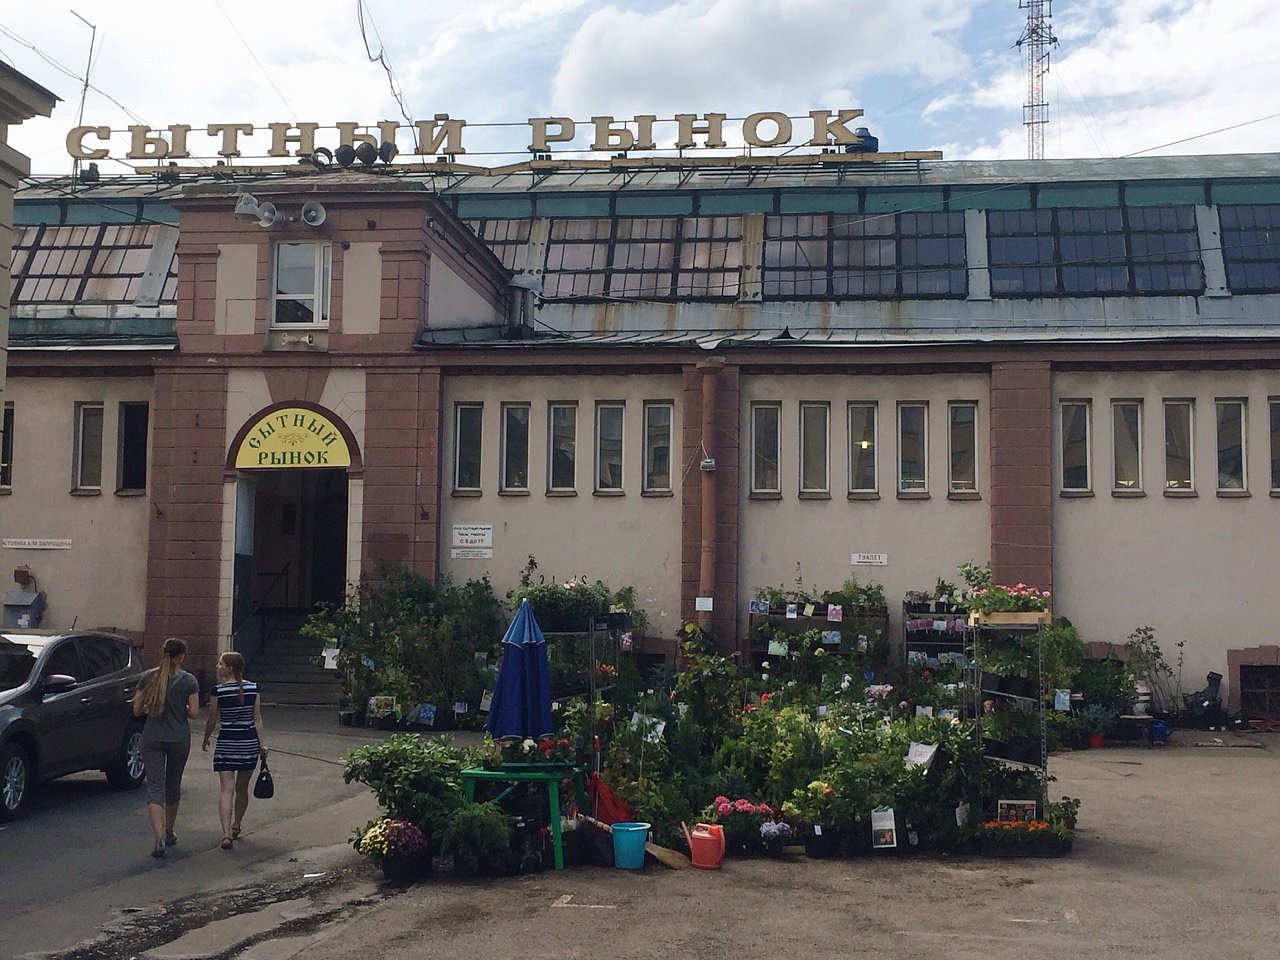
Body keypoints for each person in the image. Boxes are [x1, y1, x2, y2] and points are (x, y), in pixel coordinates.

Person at [133, 637, 200, 859]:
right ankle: (169, 831)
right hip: (178, 738)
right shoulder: (188, 681)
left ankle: (158, 837)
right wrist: (182, 705)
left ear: (164, 653)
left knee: (155, 788)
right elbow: (194, 713)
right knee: (173, 785)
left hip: (152, 737)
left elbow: (136, 709)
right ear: (181, 656)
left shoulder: (147, 677)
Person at [202, 651, 267, 850]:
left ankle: (226, 834)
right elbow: (257, 719)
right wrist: (261, 745)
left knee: (226, 789)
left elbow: (212, 718)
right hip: (247, 743)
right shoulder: (253, 688)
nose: (217, 666)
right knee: (242, 788)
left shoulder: (218, 691)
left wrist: (206, 738)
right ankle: (237, 824)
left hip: (226, 743)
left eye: (221, 663)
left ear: (230, 668)